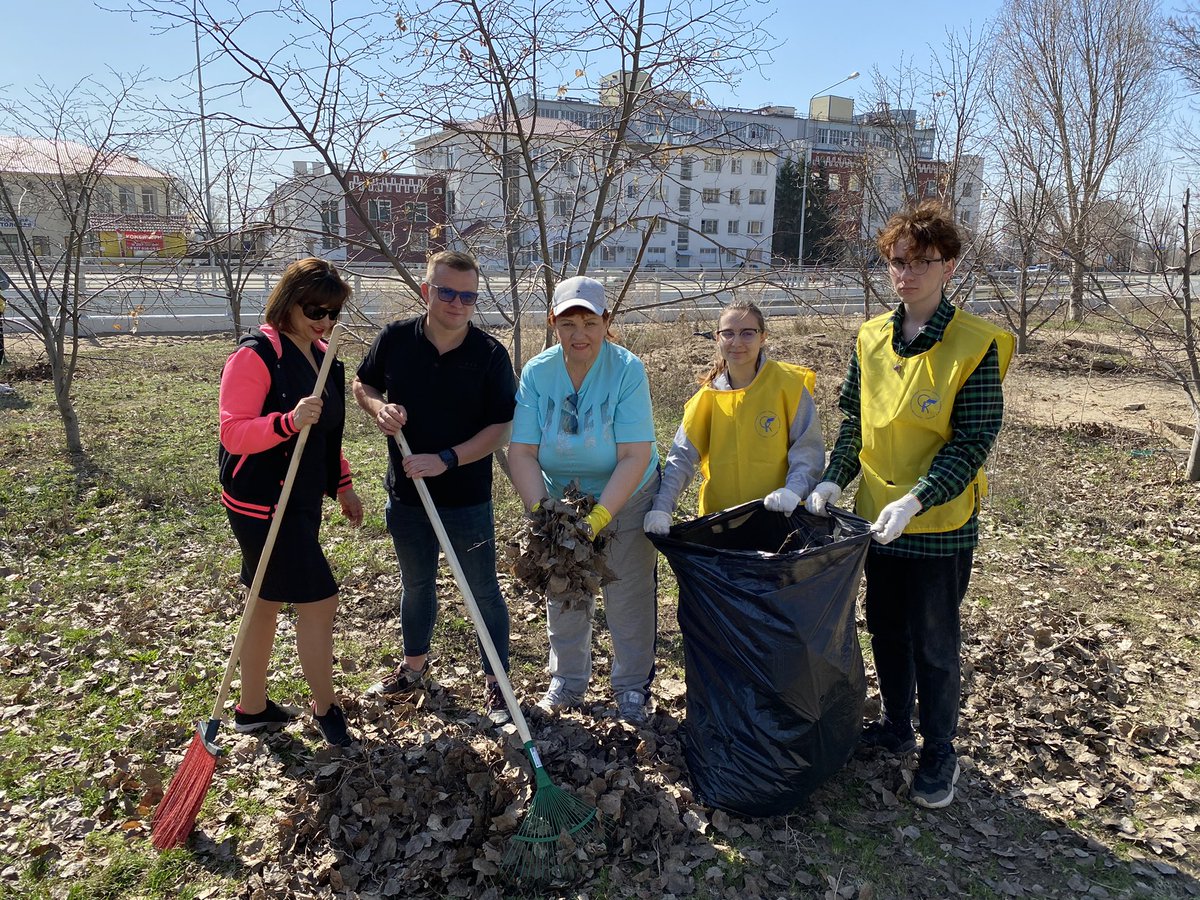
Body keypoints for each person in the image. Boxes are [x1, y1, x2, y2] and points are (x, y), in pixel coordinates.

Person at [806, 200, 1014, 809]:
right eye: (898, 261)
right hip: (875, 519)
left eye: (923, 262)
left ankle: (939, 751)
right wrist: (831, 481)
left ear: (949, 265)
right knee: (885, 627)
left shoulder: (974, 344)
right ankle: (898, 724)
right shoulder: (871, 337)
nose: (907, 273)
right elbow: (855, 424)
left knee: (935, 641)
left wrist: (918, 499)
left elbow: (972, 444)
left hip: (938, 524)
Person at [352, 250, 517, 726]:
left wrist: (447, 459)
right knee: (417, 583)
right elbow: (365, 384)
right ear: (427, 291)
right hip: (407, 499)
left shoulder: (489, 355)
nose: (457, 303)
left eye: (468, 296)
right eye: (447, 291)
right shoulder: (396, 340)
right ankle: (414, 668)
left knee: (483, 589)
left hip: (467, 500)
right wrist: (378, 408)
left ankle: (498, 683)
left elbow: (500, 427)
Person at [218, 257, 363, 748]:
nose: (323, 320)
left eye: (332, 312)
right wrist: (286, 420)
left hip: (300, 498)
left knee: (265, 600)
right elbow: (234, 433)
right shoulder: (256, 356)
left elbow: (326, 434)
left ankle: (252, 708)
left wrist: (341, 484)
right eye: (313, 309)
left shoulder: (325, 357)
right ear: (288, 301)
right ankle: (325, 708)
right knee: (320, 600)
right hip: (261, 503)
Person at [508, 275, 661, 726]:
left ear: (605, 321)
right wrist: (544, 515)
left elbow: (635, 454)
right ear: (553, 322)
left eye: (589, 322)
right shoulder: (538, 372)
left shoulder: (627, 369)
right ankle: (568, 681)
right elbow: (522, 452)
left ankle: (632, 687)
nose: (579, 334)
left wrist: (597, 518)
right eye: (567, 322)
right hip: (560, 500)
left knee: (627, 593)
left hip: (626, 495)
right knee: (565, 591)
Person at [643, 299, 824, 532]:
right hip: (721, 524)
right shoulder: (708, 397)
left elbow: (808, 451)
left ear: (763, 337)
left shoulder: (788, 386)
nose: (737, 342)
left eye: (747, 333)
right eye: (728, 333)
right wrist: (662, 508)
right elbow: (681, 459)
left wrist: (793, 491)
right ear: (717, 338)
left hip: (780, 518)